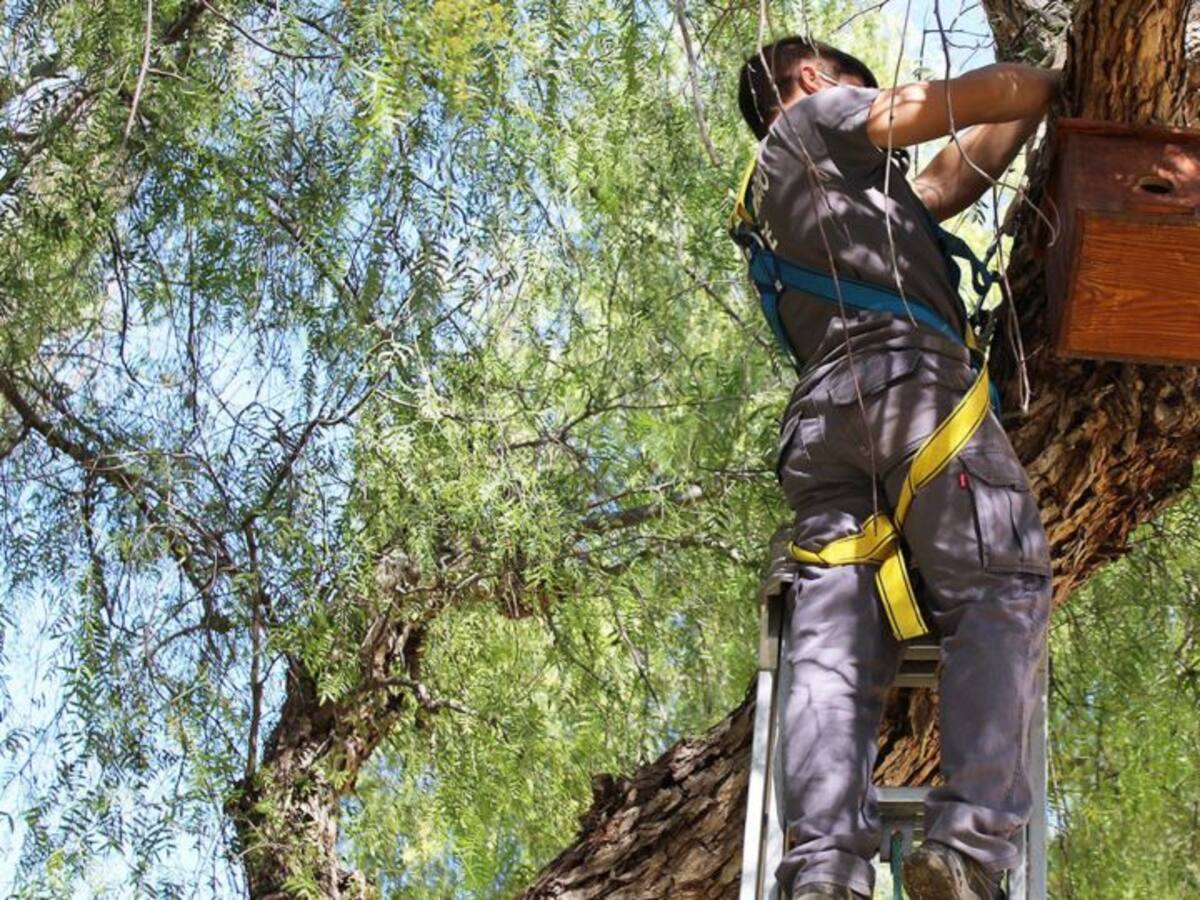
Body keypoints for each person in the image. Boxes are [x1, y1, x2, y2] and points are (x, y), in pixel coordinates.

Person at [734, 37, 1062, 900]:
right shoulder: (813, 116)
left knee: (836, 647)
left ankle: (821, 874)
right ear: (811, 81)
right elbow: (923, 107)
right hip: (908, 393)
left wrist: (1022, 108)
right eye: (856, 85)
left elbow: (944, 184)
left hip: (823, 433)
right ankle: (968, 847)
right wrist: (1052, 74)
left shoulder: (788, 197)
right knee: (1001, 585)